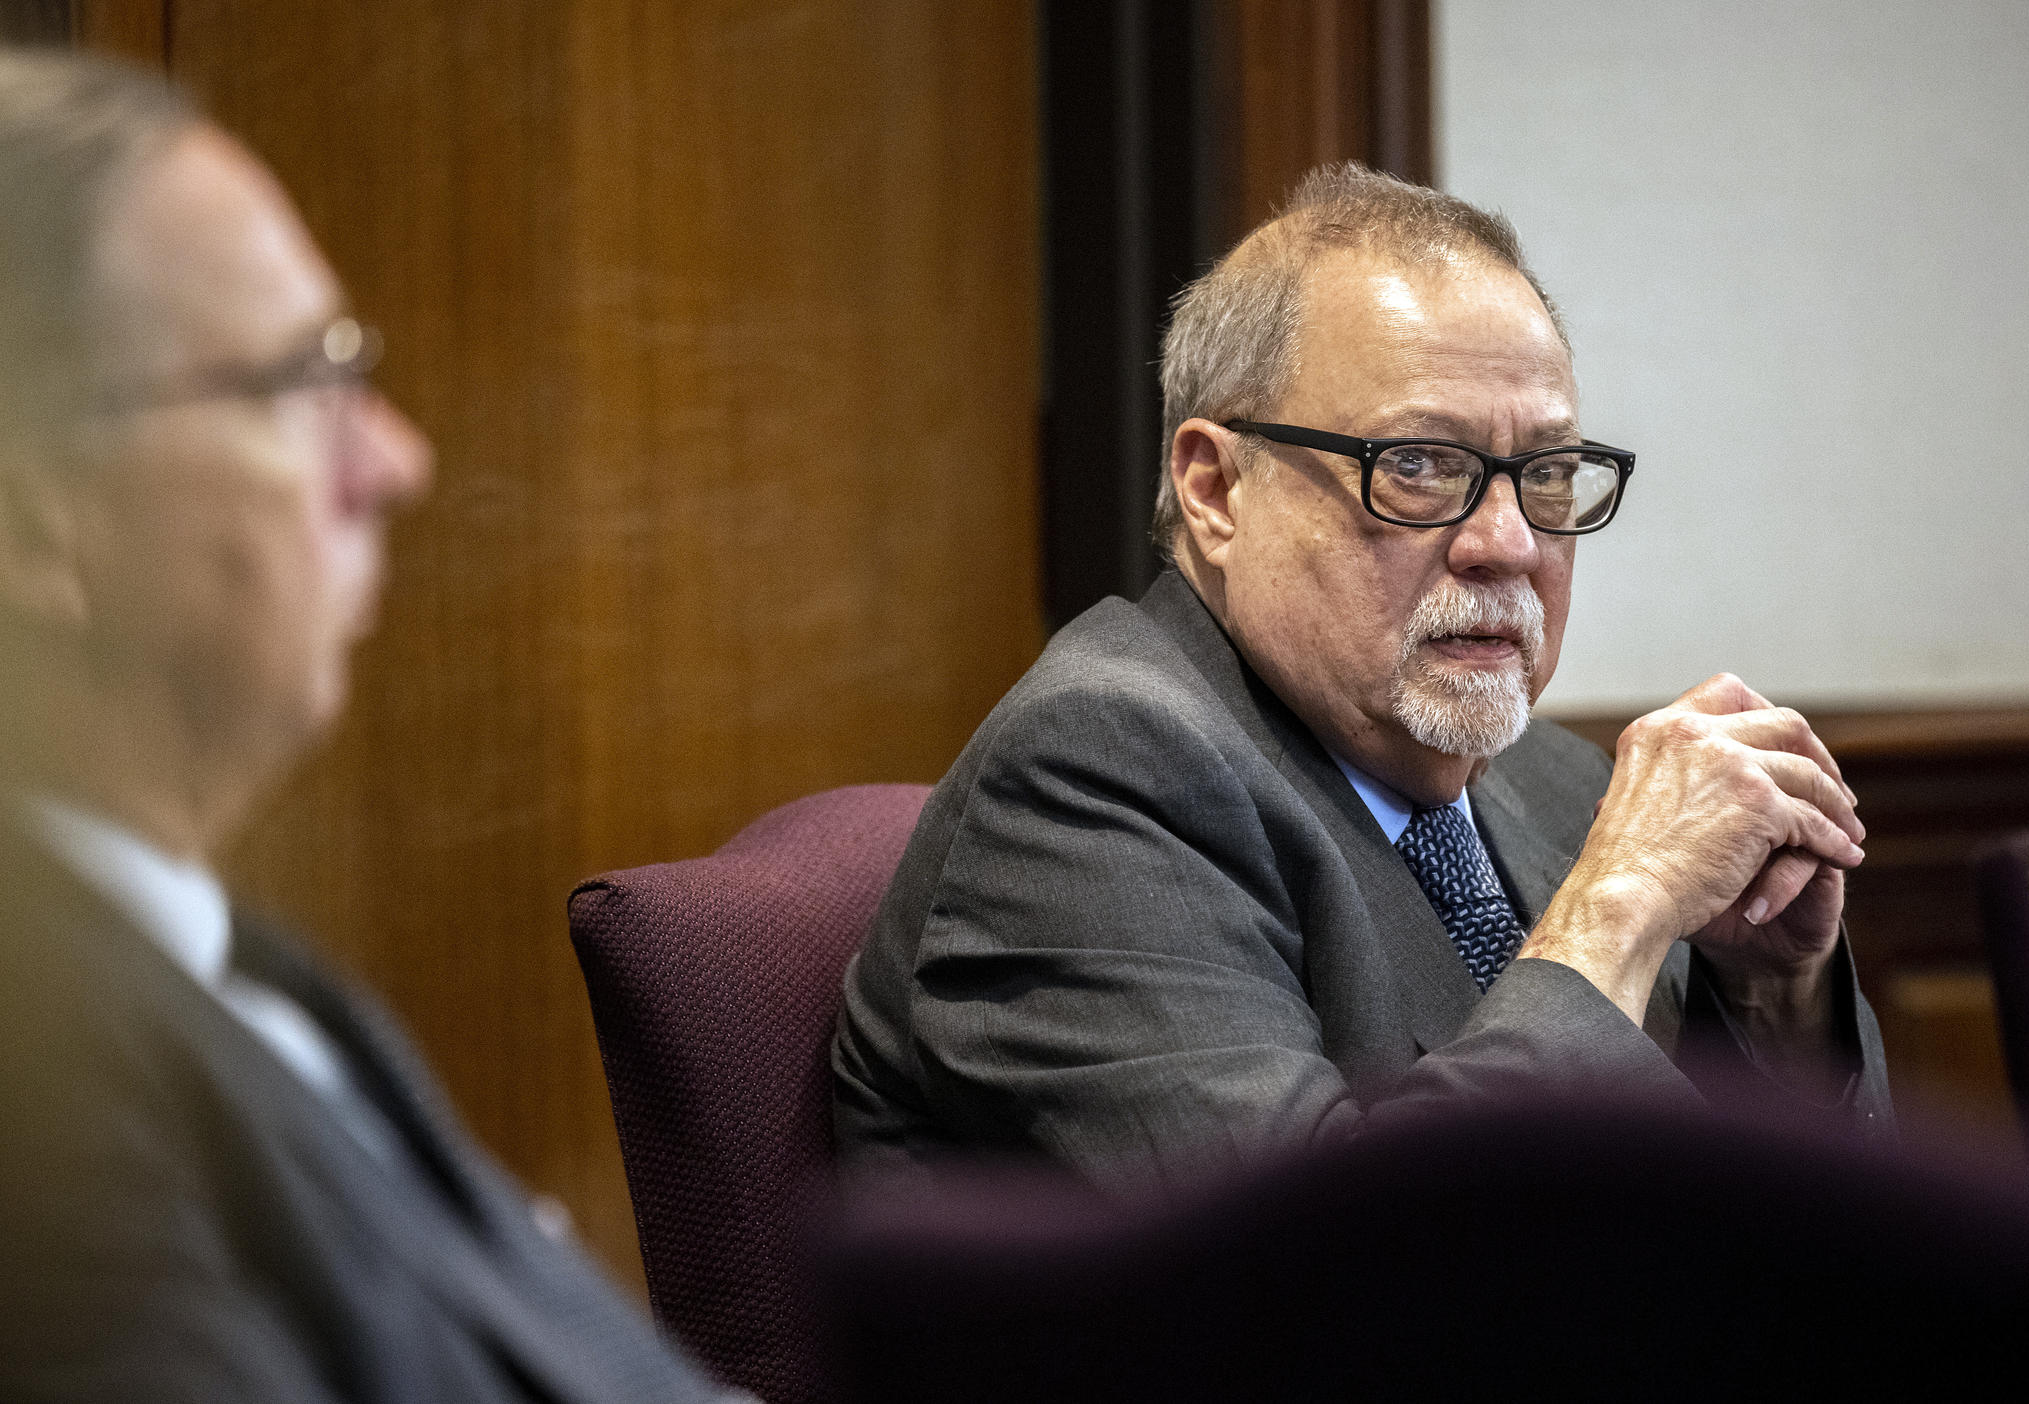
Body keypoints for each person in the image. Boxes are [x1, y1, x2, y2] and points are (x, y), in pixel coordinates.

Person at [835, 162, 1894, 1192]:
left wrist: (1769, 995)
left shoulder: (1549, 784)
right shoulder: (1094, 780)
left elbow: (1795, 1244)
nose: (1509, 541)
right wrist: (1619, 910)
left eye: (1549, 474)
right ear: (1215, 488)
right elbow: (1331, 1281)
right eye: (1420, 465)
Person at [0, 50, 745, 1402]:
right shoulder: (39, 1102)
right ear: (28, 517)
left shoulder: (239, 974)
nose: (395, 460)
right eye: (301, 379)